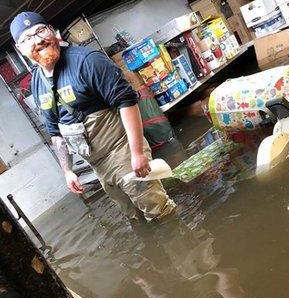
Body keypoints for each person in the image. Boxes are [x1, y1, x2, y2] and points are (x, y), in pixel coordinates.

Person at [10, 12, 176, 222]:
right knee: (134, 218)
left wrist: (137, 153)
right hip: (99, 165)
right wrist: (67, 170)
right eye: (27, 39)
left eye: (40, 31)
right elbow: (55, 131)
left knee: (160, 212)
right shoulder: (37, 82)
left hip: (122, 150)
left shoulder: (87, 61)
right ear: (20, 49)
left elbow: (126, 101)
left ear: (52, 30)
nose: (38, 40)